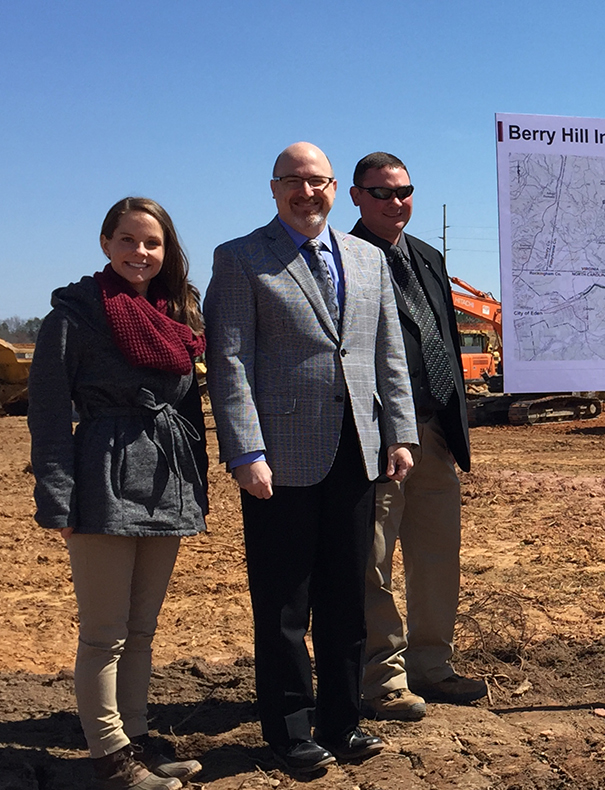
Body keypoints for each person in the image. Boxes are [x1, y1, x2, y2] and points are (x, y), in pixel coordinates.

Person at [205, 143, 418, 774]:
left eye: (318, 181)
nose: (308, 192)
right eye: (293, 182)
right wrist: (244, 449)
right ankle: (290, 730)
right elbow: (230, 362)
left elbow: (388, 356)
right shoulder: (242, 258)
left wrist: (400, 434)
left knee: (346, 595)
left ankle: (342, 722)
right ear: (274, 189)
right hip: (280, 460)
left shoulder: (365, 258)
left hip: (358, 450)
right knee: (284, 604)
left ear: (334, 188)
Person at [29, 197, 207, 790]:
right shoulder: (74, 315)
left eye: (152, 243)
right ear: (105, 244)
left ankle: (134, 735)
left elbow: (186, 407)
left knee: (142, 627)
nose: (140, 253)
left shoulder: (174, 314)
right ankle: (109, 754)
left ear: (166, 250)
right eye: (128, 240)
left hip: (165, 477)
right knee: (104, 631)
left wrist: (196, 487)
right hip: (102, 476)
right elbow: (49, 416)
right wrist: (58, 499)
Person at [348, 152, 484, 720]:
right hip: (376, 440)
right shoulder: (343, 258)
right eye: (381, 193)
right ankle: (382, 677)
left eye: (404, 191)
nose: (395, 202)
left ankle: (433, 665)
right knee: (371, 561)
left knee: (436, 557)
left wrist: (455, 427)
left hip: (434, 434)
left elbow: (446, 345)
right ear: (355, 197)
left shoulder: (427, 257)